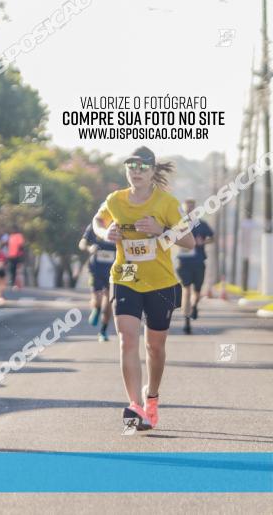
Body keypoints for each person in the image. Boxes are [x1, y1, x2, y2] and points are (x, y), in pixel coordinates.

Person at [92, 146, 194, 431]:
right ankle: (134, 406)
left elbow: (189, 242)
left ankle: (152, 398)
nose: (135, 172)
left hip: (161, 281)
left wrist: (160, 230)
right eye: (131, 167)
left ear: (152, 172)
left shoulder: (167, 203)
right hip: (125, 275)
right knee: (127, 339)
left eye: (142, 168)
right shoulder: (116, 200)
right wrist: (104, 233)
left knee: (155, 347)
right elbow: (97, 221)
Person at [175, 198, 214, 334]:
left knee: (197, 292)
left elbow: (213, 238)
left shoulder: (201, 225)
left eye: (192, 209)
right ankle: (187, 322)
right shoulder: (178, 225)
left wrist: (203, 241)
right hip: (183, 263)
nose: (189, 211)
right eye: (187, 209)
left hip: (198, 262)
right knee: (186, 290)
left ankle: (194, 305)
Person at [78, 222, 116, 341]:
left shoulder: (120, 223)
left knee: (109, 301)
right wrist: (89, 248)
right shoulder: (96, 224)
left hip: (114, 270)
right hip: (96, 269)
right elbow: (82, 243)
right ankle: (96, 308)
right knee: (97, 298)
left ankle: (103, 331)